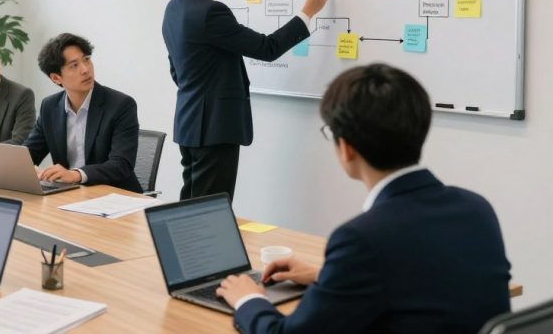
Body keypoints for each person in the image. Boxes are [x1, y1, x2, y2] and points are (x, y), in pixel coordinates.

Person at [217, 64, 512, 334]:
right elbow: (421, 279)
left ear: (346, 148)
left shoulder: (362, 240)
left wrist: (248, 300)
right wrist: (325, 276)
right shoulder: (476, 209)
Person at [161, 0, 329, 201]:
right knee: (211, 211)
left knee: (193, 207)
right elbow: (267, 48)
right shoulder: (210, 11)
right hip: (215, 129)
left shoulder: (175, 7)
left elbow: (177, 71)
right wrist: (307, 12)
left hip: (190, 123)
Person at [23, 33, 142, 193]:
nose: (85, 70)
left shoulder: (121, 105)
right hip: (70, 195)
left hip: (114, 195)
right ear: (56, 78)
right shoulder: (49, 107)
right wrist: (31, 169)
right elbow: (29, 154)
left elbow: (121, 165)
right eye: (74, 65)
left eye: (86, 59)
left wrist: (76, 175)